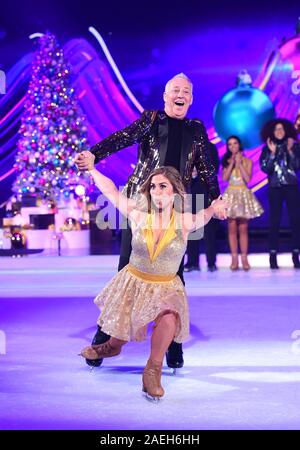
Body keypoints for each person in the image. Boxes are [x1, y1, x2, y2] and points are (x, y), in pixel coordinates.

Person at [75, 73, 223, 370]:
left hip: (177, 205)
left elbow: (206, 169)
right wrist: (94, 154)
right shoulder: (151, 119)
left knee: (175, 276)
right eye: (175, 90)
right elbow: (122, 137)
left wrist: (216, 200)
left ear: (190, 99)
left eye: (186, 91)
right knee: (127, 268)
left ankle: (173, 345)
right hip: (142, 200)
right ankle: (106, 335)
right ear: (166, 96)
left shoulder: (196, 130)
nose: (180, 95)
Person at [79, 154, 227, 400]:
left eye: (163, 186)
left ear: (175, 193)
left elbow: (209, 212)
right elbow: (112, 192)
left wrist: (216, 206)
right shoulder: (138, 215)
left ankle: (153, 370)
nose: (157, 191)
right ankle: (112, 347)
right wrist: (92, 170)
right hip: (134, 281)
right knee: (120, 332)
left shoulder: (185, 221)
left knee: (169, 314)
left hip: (165, 285)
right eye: (153, 187)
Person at [260, 119, 300, 269]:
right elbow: (266, 169)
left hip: (291, 186)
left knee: (296, 221)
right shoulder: (267, 148)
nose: (279, 131)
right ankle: (273, 255)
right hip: (275, 187)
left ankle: (296, 255)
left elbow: (297, 166)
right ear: (272, 132)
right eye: (276, 129)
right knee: (274, 221)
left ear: (286, 131)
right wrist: (272, 154)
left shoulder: (294, 147)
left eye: (282, 129)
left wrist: (290, 151)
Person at [222, 136, 264, 271]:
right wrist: (232, 163)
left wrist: (240, 164)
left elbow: (247, 179)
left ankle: (244, 258)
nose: (232, 146)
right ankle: (234, 258)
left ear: (239, 145)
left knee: (243, 228)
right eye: (229, 144)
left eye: (235, 144)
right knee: (231, 228)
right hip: (231, 194)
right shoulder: (226, 160)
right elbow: (225, 177)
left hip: (243, 193)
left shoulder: (247, 161)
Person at [183, 142, 220, 272]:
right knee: (191, 228)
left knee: (209, 230)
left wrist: (199, 172)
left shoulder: (209, 147)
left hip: (205, 191)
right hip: (189, 191)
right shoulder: (184, 145)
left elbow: (214, 168)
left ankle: (211, 262)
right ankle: (192, 262)